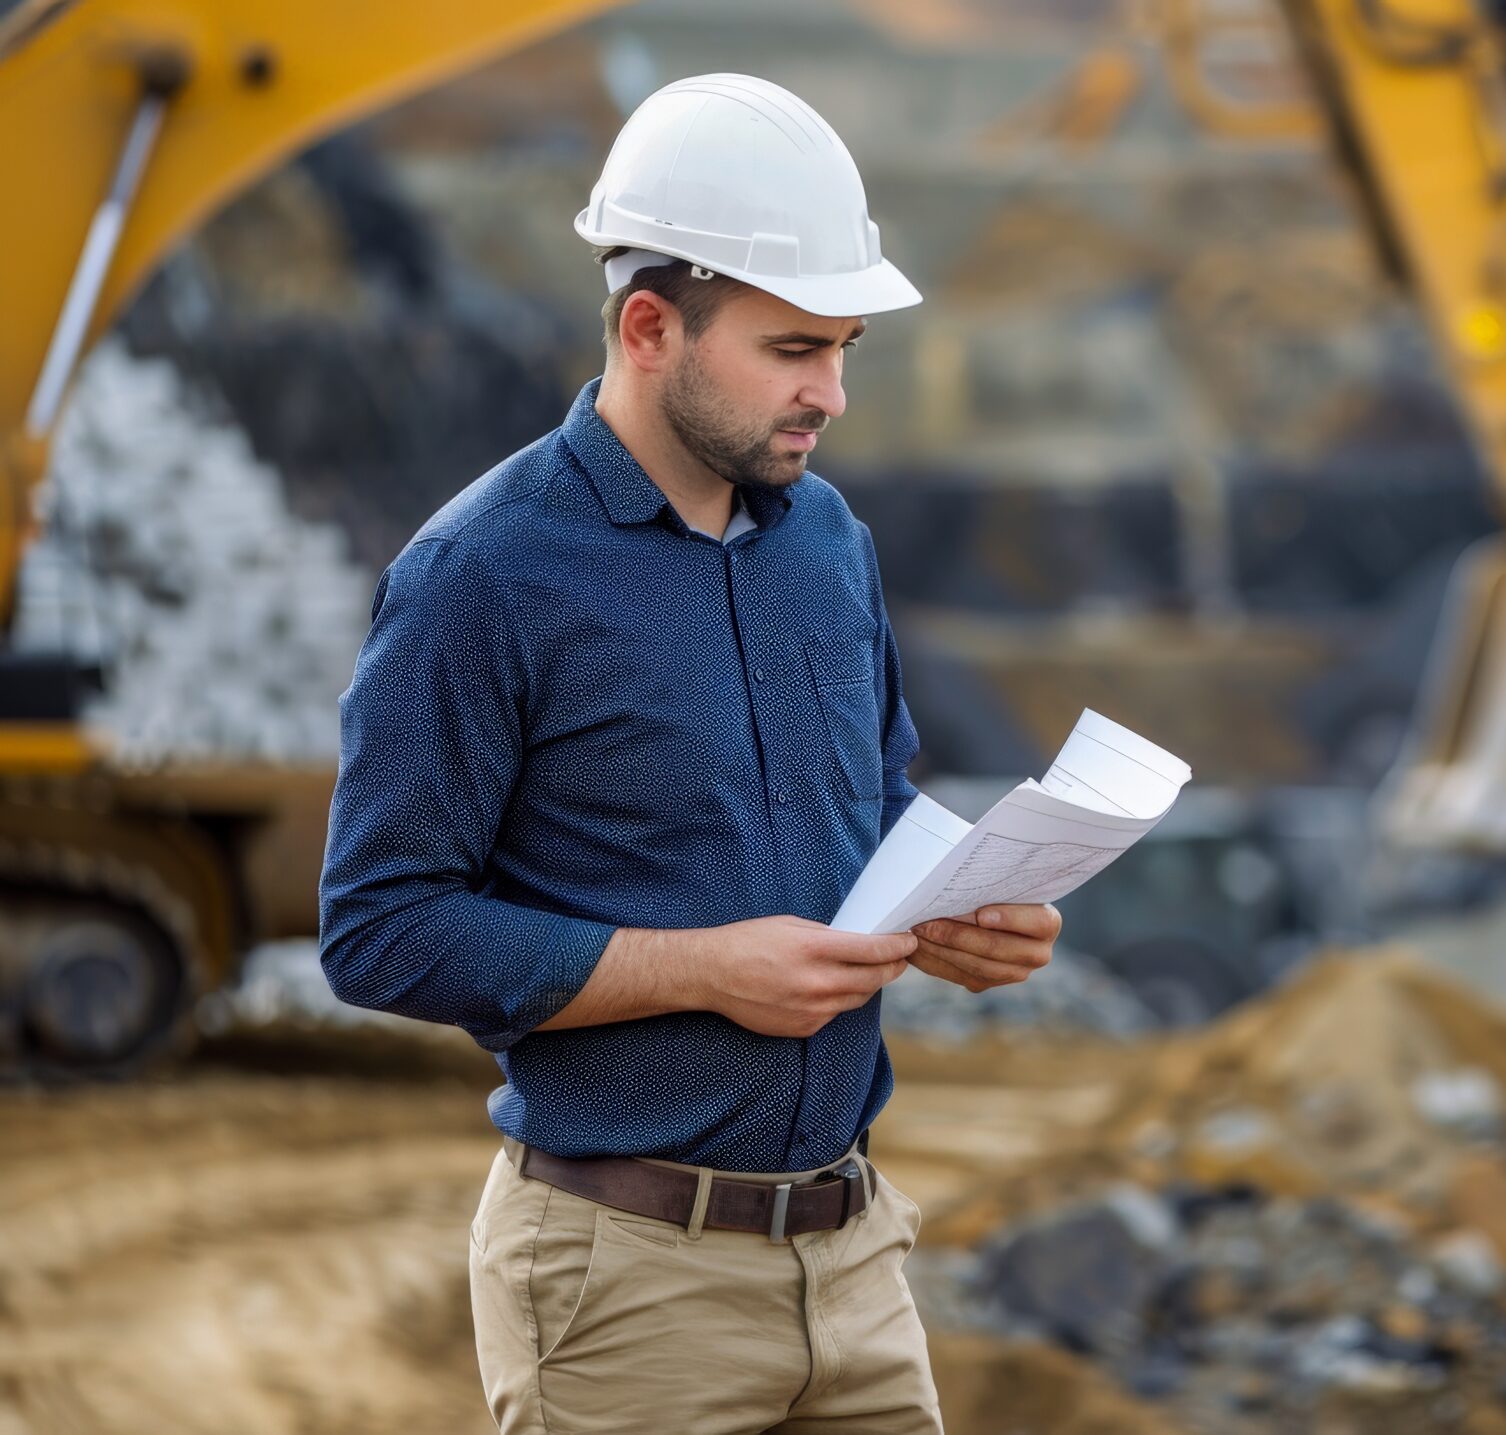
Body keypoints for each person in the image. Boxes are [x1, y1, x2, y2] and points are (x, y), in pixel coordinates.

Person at [317, 73, 1055, 1434]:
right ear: (650, 325)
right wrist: (705, 969)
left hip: (856, 1260)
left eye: (843, 349)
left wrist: (963, 913)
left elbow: (874, 805)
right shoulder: (482, 575)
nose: (830, 392)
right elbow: (379, 928)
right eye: (791, 350)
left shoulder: (828, 543)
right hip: (621, 1292)